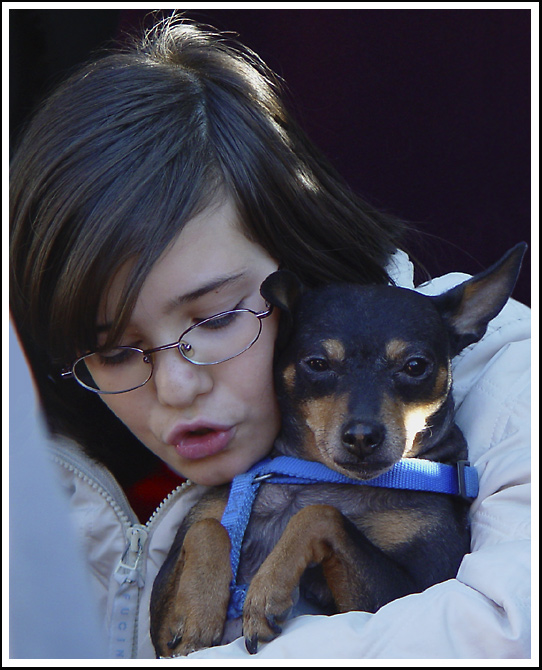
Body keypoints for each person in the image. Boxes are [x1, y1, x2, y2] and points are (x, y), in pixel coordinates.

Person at [9, 15, 531, 659]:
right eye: (116, 351)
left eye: (216, 318)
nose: (177, 386)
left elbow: (505, 630)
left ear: (295, 271)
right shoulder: (31, 478)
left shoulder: (509, 385)